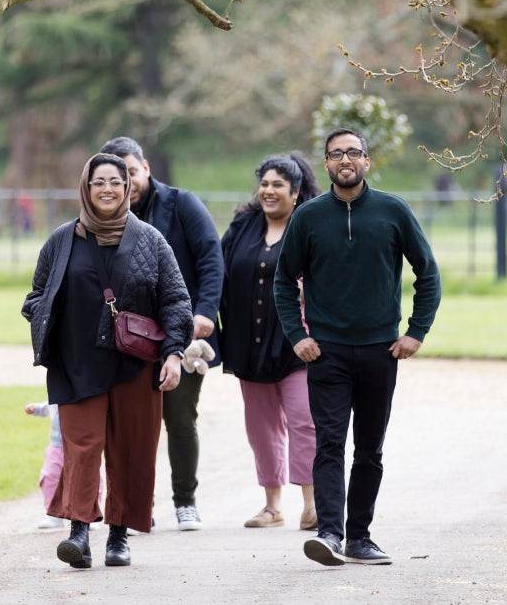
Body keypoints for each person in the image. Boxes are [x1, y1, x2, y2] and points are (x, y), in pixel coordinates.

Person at [273, 128, 442, 567]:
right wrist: (298, 335)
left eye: (353, 152)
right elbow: (283, 280)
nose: (344, 160)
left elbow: (428, 273)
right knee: (330, 444)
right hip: (325, 353)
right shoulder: (307, 217)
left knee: (370, 448)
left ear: (367, 161)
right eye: (335, 154)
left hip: (380, 352)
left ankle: (359, 538)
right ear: (326, 164)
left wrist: (415, 332)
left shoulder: (392, 211)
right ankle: (329, 534)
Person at [21, 153, 192, 569]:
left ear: (128, 187)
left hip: (134, 365)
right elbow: (34, 297)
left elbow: (176, 301)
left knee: (131, 450)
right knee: (81, 448)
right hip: (75, 363)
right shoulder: (61, 241)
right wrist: (48, 319)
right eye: (98, 182)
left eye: (115, 181)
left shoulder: (151, 240)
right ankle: (78, 533)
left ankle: (119, 535)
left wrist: (173, 352)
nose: (108, 189)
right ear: (86, 187)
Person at [100, 136, 224, 531]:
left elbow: (210, 257)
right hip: (126, 339)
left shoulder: (182, 203)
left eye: (132, 172)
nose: (126, 182)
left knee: (179, 417)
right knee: (132, 424)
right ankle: (139, 505)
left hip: (181, 332)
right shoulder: (103, 214)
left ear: (146, 168)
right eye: (118, 176)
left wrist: (204, 311)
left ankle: (185, 500)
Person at [218, 152, 321, 531]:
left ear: (296, 191)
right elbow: (219, 272)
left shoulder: (309, 226)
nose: (269, 191)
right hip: (250, 343)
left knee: (304, 421)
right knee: (261, 428)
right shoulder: (243, 226)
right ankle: (272, 506)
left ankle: (312, 506)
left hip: (299, 345)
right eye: (264, 184)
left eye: (278, 184)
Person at [24, 401, 107, 529]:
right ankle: (54, 514)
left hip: (81, 445)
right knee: (50, 477)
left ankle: (90, 514)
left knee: (88, 478)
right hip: (57, 446)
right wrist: (35, 409)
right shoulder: (58, 397)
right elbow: (47, 408)